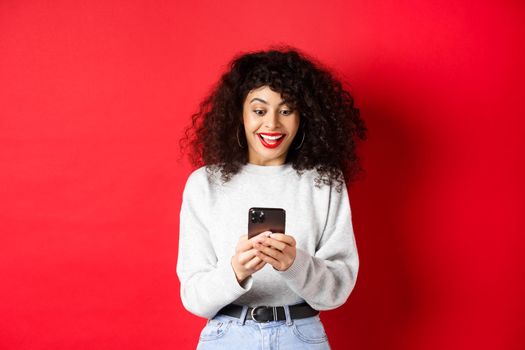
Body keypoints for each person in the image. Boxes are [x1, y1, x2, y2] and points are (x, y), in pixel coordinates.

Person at [177, 47, 367, 349]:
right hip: (227, 337)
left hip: (301, 336)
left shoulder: (324, 182)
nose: (272, 125)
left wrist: (295, 263)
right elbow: (194, 298)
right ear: (239, 113)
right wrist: (236, 271)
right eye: (259, 110)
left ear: (303, 116)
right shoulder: (204, 185)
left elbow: (336, 291)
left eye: (287, 110)